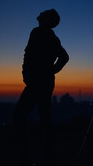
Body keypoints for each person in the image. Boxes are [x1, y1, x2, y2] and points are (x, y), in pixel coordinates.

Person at [12, 9, 69, 166]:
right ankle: (47, 156)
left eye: (45, 12)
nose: (41, 12)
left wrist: (49, 71)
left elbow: (64, 57)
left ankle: (25, 158)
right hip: (41, 81)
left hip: (39, 82)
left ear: (47, 19)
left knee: (19, 117)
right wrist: (47, 72)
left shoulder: (42, 33)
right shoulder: (44, 34)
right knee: (44, 118)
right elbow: (31, 55)